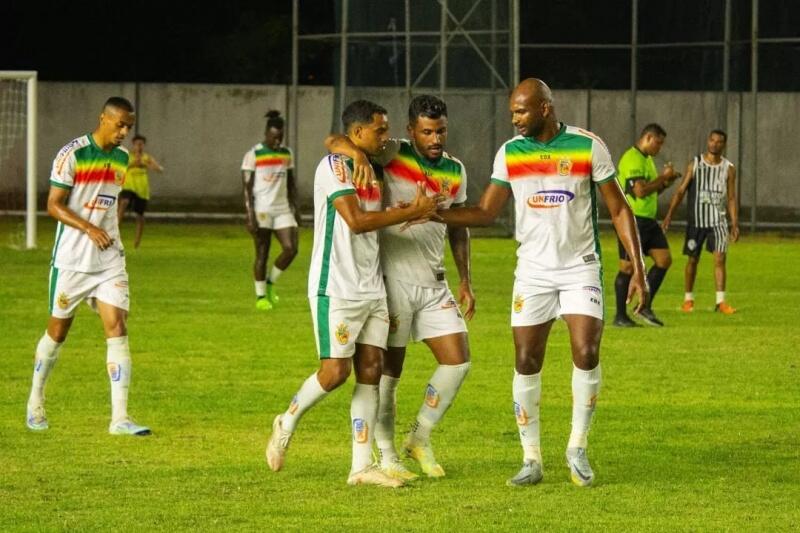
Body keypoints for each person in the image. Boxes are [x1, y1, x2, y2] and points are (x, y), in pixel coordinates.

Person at [438, 78, 648, 487]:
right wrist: (434, 214)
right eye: (512, 112)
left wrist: (636, 264)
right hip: (532, 272)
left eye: (521, 111)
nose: (514, 119)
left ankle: (577, 448)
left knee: (586, 350)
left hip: (579, 267)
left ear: (545, 108)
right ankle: (531, 458)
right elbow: (484, 212)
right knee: (526, 360)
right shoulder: (510, 153)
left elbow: (619, 209)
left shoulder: (588, 146)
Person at [264, 100, 443, 488]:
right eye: (379, 130)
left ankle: (361, 467)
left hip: (372, 286)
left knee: (370, 373)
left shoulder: (376, 159)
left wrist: (354, 148)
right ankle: (287, 419)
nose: (386, 136)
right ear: (358, 132)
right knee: (335, 372)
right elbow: (358, 221)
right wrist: (412, 211)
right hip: (337, 286)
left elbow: (336, 137)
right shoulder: (333, 167)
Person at [324, 94, 474, 481]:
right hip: (393, 282)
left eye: (440, 130)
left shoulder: (455, 169)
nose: (435, 138)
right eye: (426, 131)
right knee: (390, 376)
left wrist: (466, 280)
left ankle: (419, 437)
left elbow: (458, 227)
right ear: (411, 131)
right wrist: (355, 155)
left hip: (434, 282)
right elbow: (334, 140)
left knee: (458, 360)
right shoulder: (392, 152)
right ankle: (387, 455)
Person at [26, 97, 151, 436]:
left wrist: (107, 232)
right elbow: (53, 205)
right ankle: (35, 401)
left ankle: (120, 419)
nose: (125, 132)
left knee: (117, 326)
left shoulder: (123, 158)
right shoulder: (72, 154)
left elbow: (107, 205)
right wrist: (89, 228)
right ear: (104, 119)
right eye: (121, 125)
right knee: (57, 332)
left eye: (129, 126)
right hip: (72, 260)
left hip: (109, 257)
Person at [662, 129, 739, 314]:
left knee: (720, 258)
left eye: (719, 141)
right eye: (712, 140)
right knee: (693, 260)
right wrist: (669, 214)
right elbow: (681, 191)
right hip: (697, 221)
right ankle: (688, 299)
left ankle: (720, 302)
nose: (715, 144)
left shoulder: (728, 168)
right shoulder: (696, 164)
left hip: (718, 222)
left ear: (724, 144)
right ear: (708, 141)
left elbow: (730, 197)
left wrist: (734, 223)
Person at [613, 124, 680, 327]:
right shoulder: (632, 158)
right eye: (658, 143)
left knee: (664, 260)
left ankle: (644, 306)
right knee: (627, 267)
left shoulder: (647, 160)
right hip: (632, 220)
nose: (659, 148)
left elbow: (649, 192)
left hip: (648, 221)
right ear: (648, 138)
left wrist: (666, 183)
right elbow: (640, 191)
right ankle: (620, 316)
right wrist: (663, 177)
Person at [241, 110, 299, 311]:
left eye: (280, 137)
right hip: (262, 210)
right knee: (262, 253)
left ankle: (271, 282)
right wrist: (250, 216)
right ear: (266, 133)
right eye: (274, 137)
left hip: (282, 209)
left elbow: (291, 184)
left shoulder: (287, 153)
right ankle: (260, 296)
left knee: (291, 249)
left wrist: (295, 207)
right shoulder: (253, 154)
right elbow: (246, 189)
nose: (277, 141)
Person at [117, 134, 164, 249]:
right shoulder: (127, 156)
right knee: (124, 202)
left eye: (141, 144)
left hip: (141, 189)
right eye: (137, 144)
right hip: (128, 186)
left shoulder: (147, 158)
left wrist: (147, 164)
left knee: (140, 216)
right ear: (133, 145)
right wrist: (133, 165)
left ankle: (137, 240)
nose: (139, 146)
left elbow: (160, 169)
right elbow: (118, 169)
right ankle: (115, 231)